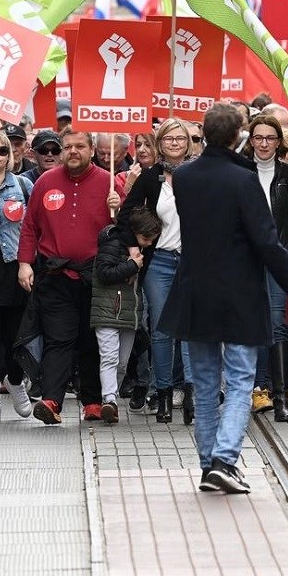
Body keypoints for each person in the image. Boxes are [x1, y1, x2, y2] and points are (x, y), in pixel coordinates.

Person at [158, 104, 288, 493]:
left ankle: (209, 464)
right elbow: (266, 240)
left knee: (205, 384)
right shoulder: (244, 179)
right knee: (240, 380)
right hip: (238, 293)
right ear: (238, 136)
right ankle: (224, 458)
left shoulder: (185, 176)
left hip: (194, 290)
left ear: (205, 134)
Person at [19, 127, 116, 425]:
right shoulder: (46, 181)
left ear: (91, 150)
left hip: (97, 277)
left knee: (91, 341)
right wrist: (25, 263)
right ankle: (51, 400)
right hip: (56, 275)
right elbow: (30, 226)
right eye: (68, 147)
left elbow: (126, 226)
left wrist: (119, 205)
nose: (73, 151)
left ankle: (93, 402)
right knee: (58, 340)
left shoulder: (108, 181)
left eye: (80, 147)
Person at [118, 119, 197, 424]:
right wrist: (133, 247)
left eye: (181, 138)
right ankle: (162, 394)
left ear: (188, 143)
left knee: (190, 330)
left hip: (192, 262)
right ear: (160, 142)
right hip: (160, 262)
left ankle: (190, 395)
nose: (175, 143)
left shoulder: (199, 174)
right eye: (169, 138)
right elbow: (126, 214)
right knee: (162, 331)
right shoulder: (151, 177)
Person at [247, 114, 288, 422]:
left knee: (278, 323)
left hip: (278, 257)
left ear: (278, 142)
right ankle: (258, 388)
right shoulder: (241, 171)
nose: (264, 143)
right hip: (246, 259)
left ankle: (281, 393)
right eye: (258, 138)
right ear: (251, 140)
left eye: (270, 138)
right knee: (253, 324)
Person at [91, 207, 162, 425]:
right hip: (108, 310)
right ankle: (109, 399)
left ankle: (109, 400)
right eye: (145, 239)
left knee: (121, 363)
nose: (149, 244)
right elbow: (103, 274)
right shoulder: (112, 245)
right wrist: (131, 266)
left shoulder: (141, 252)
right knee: (110, 357)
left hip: (130, 315)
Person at [0, 131, 35, 422]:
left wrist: (28, 263)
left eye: (2, 150)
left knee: (17, 336)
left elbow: (33, 230)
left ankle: (15, 381)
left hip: (17, 267)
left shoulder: (24, 185)